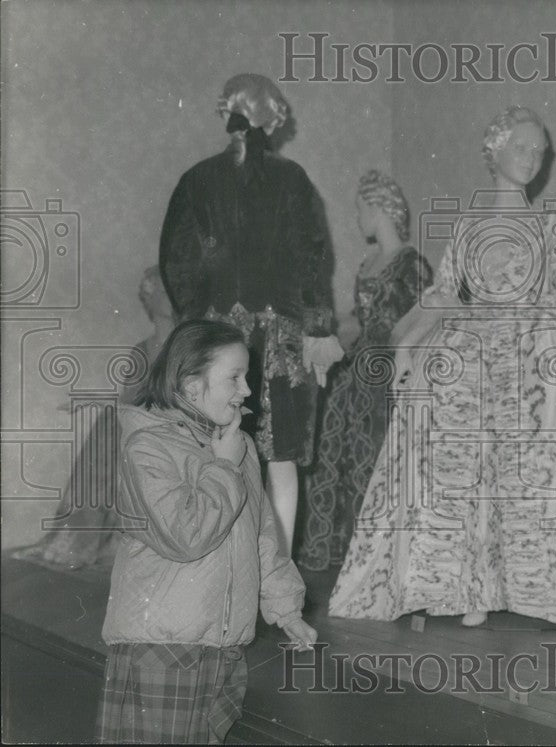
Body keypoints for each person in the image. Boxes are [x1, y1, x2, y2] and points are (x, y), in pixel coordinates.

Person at [327, 106, 556, 629]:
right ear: (495, 150)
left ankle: (539, 588)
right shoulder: (468, 225)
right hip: (474, 353)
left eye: (539, 152)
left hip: (531, 354)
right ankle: (466, 585)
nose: (531, 159)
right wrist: (406, 345)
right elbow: (442, 297)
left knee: (532, 469)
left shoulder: (549, 226)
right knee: (458, 459)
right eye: (521, 147)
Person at [96, 319, 316, 744]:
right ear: (190, 384)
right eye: (234, 377)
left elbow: (261, 537)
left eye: (246, 376)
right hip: (162, 649)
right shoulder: (147, 447)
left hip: (222, 647)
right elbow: (186, 535)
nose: (247, 390)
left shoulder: (236, 447)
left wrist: (287, 610)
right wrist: (224, 467)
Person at [159, 73, 342, 556]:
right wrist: (319, 327)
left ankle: (224, 565)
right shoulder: (293, 179)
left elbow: (178, 265)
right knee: (281, 460)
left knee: (219, 454)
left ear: (227, 114)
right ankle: (277, 569)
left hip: (220, 344)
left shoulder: (197, 180)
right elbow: (312, 261)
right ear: (273, 118)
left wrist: (195, 325)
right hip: (283, 341)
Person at [298, 170, 433, 571]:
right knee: (336, 451)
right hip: (355, 368)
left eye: (360, 210)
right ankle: (338, 553)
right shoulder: (369, 261)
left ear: (377, 209)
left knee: (373, 456)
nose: (358, 220)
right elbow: (357, 317)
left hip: (389, 369)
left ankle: (377, 560)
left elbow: (420, 322)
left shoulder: (411, 263)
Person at [17, 266, 176, 570]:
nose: (169, 297)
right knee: (109, 427)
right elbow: (130, 401)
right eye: (161, 290)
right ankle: (85, 536)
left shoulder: (187, 345)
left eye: (171, 289)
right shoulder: (141, 351)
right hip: (143, 426)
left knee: (119, 429)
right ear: (149, 298)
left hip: (172, 426)